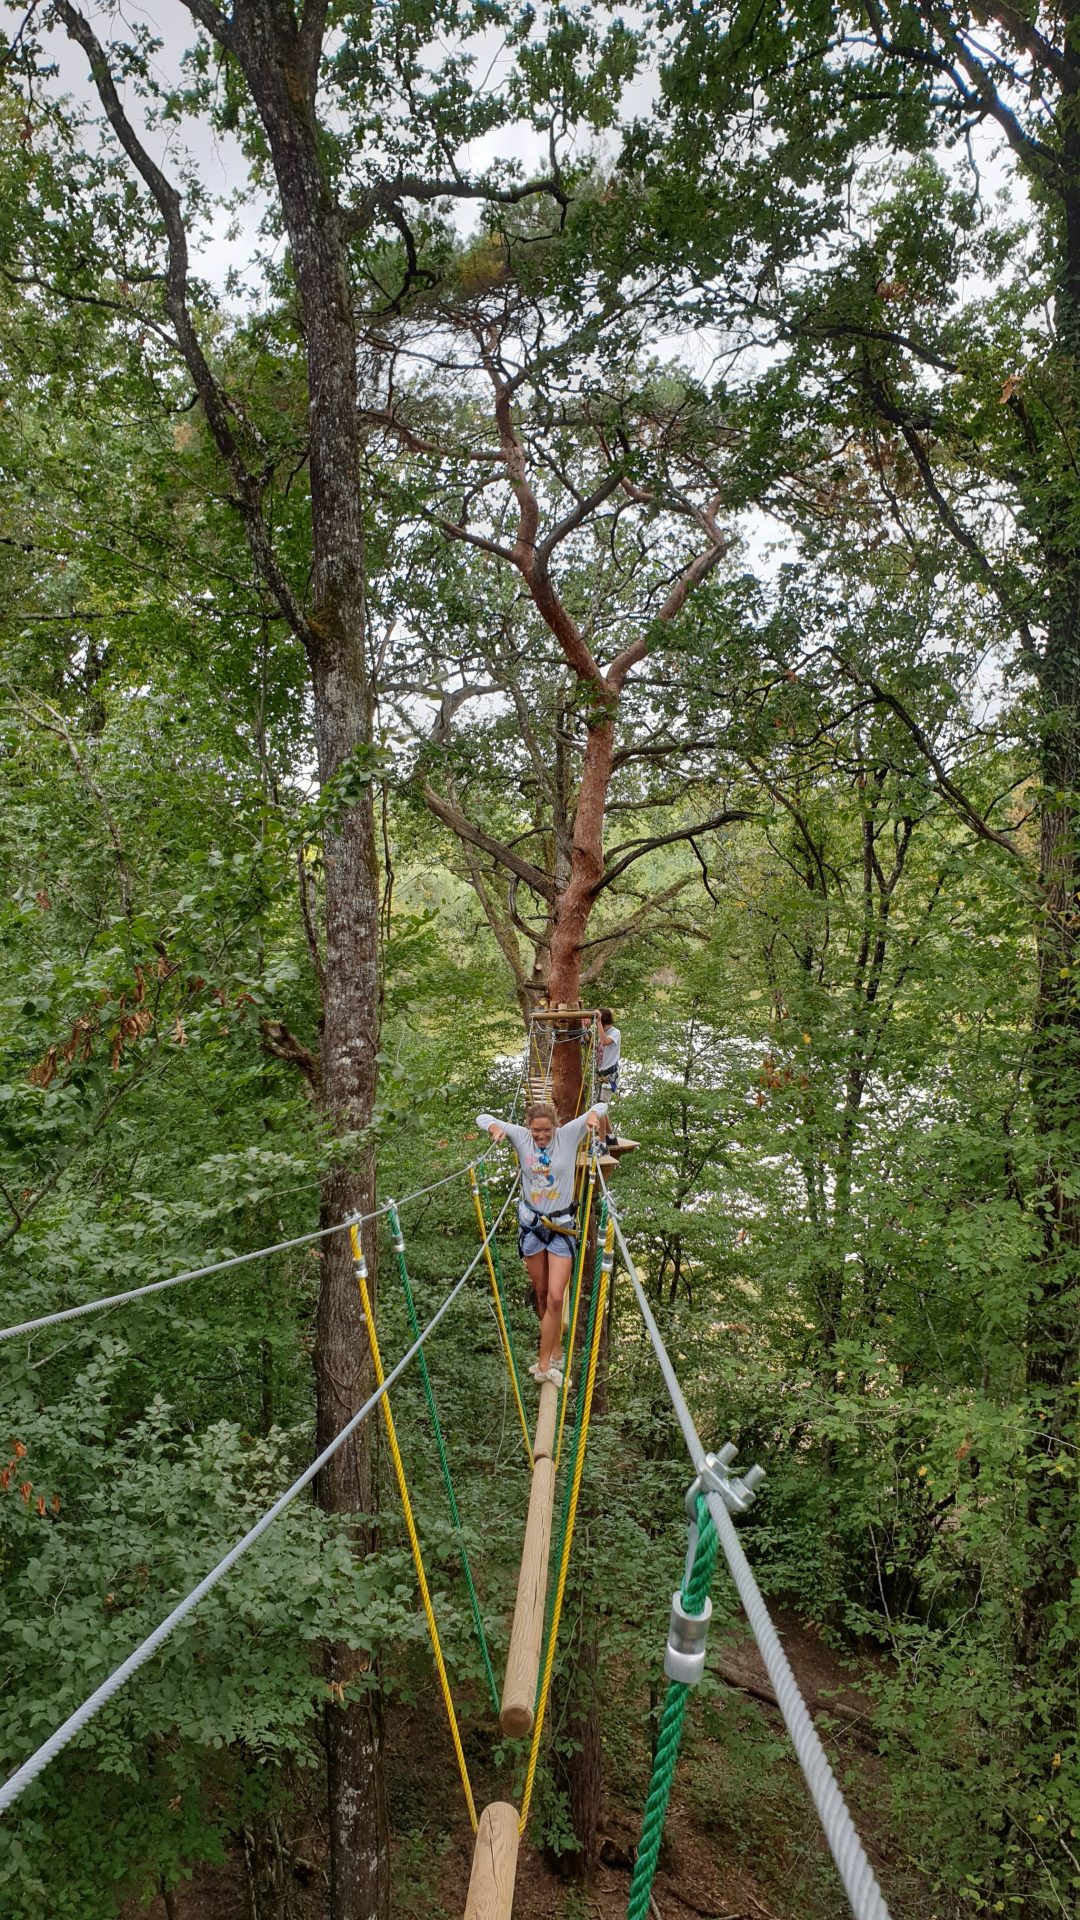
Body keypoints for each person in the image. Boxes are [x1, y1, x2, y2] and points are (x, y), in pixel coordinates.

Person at [476, 1098, 606, 1386]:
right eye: (536, 1131)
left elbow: (601, 1106)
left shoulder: (569, 1134)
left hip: (561, 1228)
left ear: (555, 1127)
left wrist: (595, 1116)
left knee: (556, 1298)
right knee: (542, 1293)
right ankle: (555, 1345)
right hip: (532, 1226)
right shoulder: (522, 1137)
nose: (541, 1136)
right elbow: (482, 1117)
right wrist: (496, 1127)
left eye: (546, 1130)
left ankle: (544, 1363)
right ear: (529, 1128)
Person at [595, 1008, 621, 1144]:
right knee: (601, 1107)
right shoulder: (601, 1033)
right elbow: (598, 1047)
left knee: (599, 1107)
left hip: (609, 1076)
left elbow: (604, 1042)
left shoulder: (615, 1032)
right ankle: (610, 1137)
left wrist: (598, 1022)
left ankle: (602, 1144)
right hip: (601, 1075)